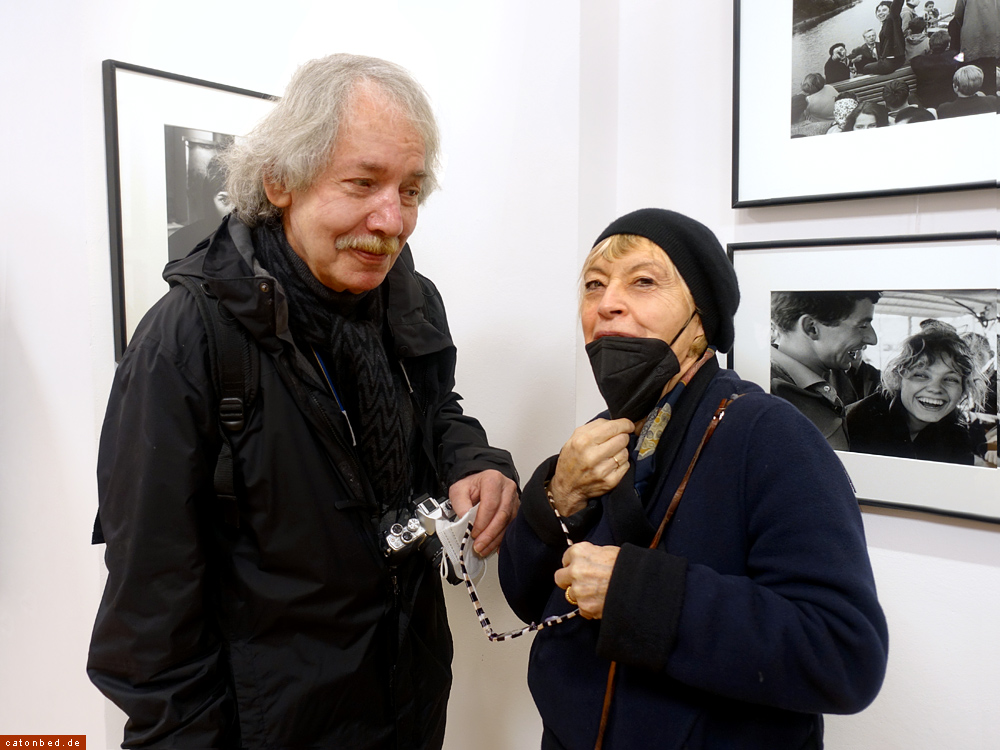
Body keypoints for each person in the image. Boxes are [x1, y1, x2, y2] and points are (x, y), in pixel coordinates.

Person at [88, 53, 520, 749]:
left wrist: (474, 459)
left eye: (410, 190)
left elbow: (436, 410)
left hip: (408, 706)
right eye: (363, 183)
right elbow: (149, 613)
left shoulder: (407, 296)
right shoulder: (187, 338)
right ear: (280, 182)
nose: (393, 220)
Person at [498, 209, 888, 750]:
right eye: (593, 285)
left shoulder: (769, 434)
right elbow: (525, 599)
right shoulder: (600, 436)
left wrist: (637, 594)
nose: (606, 302)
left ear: (701, 320)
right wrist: (559, 495)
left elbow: (844, 655)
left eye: (643, 281)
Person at [846, 327, 987, 465]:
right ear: (899, 378)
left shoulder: (955, 427)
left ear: (963, 388)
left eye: (950, 379)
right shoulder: (861, 423)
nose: (935, 389)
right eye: (921, 375)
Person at [770, 290, 881, 449]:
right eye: (862, 326)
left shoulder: (832, 379)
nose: (872, 339)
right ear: (811, 328)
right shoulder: (766, 392)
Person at [952, 0, 1000, 96]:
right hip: (992, 36)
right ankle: (990, 100)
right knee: (989, 72)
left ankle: (971, 99)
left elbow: (958, 15)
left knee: (970, 75)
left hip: (971, 36)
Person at [910, 30, 961, 109]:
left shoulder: (918, 62)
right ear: (947, 46)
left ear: (930, 45)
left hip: (926, 100)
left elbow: (914, 60)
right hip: (948, 98)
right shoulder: (952, 58)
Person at [864, 0, 907, 74]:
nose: (880, 13)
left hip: (891, 62)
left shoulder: (892, 20)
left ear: (890, 12)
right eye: (878, 11)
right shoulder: (885, 25)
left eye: (884, 10)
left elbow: (896, 7)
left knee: (866, 68)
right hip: (891, 61)